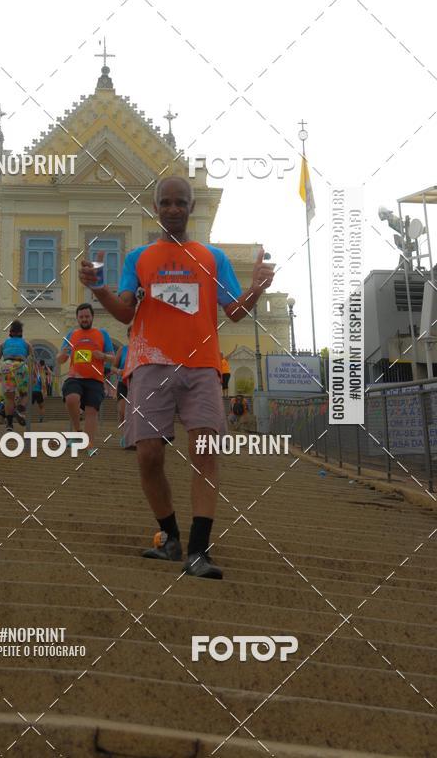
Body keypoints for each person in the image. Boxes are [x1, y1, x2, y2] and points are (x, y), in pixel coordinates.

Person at [79, 176, 274, 579]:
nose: (172, 209)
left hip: (202, 365)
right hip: (150, 364)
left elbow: (234, 311)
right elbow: (125, 313)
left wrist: (254, 288)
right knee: (149, 455)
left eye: (180, 203)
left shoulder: (212, 257)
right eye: (165, 202)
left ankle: (199, 552)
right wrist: (98, 289)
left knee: (204, 453)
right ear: (156, 208)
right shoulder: (138, 258)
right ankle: (170, 538)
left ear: (191, 208)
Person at [57, 303, 115, 457]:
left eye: (87, 316)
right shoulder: (71, 335)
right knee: (71, 399)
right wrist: (63, 354)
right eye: (81, 317)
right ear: (77, 318)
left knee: (91, 412)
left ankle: (89, 445)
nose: (84, 319)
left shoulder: (102, 334)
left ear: (92, 317)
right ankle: (77, 432)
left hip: (95, 379)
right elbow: (60, 359)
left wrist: (103, 356)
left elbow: (114, 358)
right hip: (75, 377)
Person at [0, 321, 31, 432]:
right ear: (21, 332)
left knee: (9, 397)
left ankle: (9, 424)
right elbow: (33, 360)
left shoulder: (3, 344)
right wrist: (33, 375)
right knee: (25, 393)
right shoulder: (27, 344)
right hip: (21, 365)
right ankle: (19, 409)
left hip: (6, 366)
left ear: (10, 332)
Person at [110, 325, 131, 447]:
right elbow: (113, 366)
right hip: (123, 383)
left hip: (138, 385)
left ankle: (132, 436)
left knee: (134, 413)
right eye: (130, 333)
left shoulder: (143, 349)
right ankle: (125, 436)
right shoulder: (122, 350)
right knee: (122, 411)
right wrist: (119, 371)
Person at [31, 359, 47, 423]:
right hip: (38, 392)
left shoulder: (38, 374)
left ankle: (25, 417)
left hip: (33, 391)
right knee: (41, 406)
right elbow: (43, 385)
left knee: (29, 406)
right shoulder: (41, 374)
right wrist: (44, 393)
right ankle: (41, 418)